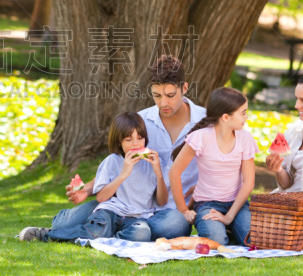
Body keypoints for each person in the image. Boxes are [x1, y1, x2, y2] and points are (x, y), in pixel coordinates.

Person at [18, 55, 205, 242]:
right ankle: (97, 229)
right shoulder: (140, 123)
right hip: (123, 203)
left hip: (169, 211)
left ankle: (104, 231)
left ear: (184, 88)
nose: (163, 103)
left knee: (174, 226)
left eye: (170, 95)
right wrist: (87, 189)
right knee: (63, 224)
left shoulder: (206, 123)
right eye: (157, 95)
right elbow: (116, 163)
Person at [26, 112, 168, 242]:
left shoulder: (155, 163)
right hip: (111, 211)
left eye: (140, 138)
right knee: (98, 230)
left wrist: (159, 174)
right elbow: (100, 198)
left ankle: (105, 239)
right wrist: (124, 173)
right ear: (119, 142)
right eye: (128, 139)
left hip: (138, 218)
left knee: (142, 234)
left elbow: (162, 202)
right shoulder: (112, 161)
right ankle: (46, 236)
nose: (136, 143)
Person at [168, 87, 256, 246]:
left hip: (237, 203)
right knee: (216, 241)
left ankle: (228, 226)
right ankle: (221, 230)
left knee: (253, 240)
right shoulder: (200, 137)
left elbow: (249, 182)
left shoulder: (245, 138)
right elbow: (174, 172)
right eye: (243, 113)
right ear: (225, 117)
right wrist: (184, 210)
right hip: (207, 203)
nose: (247, 117)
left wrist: (229, 217)